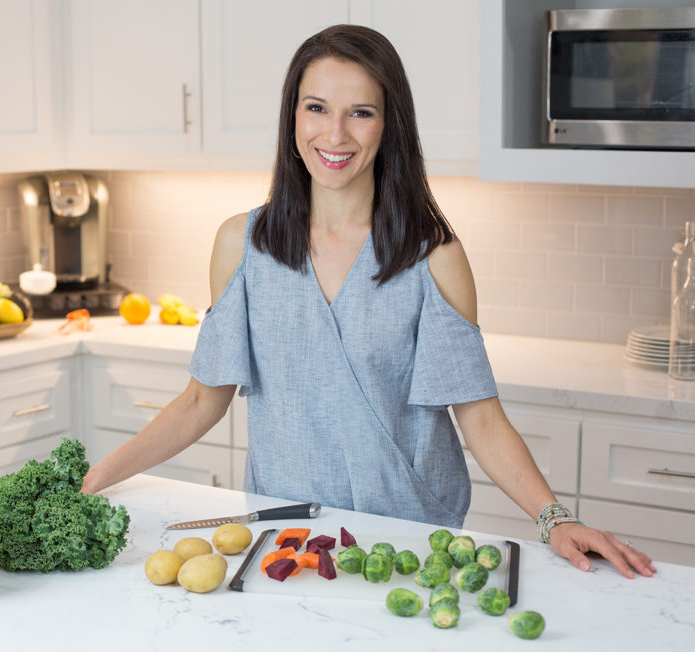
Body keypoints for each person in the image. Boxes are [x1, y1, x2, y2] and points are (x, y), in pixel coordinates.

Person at [81, 25, 655, 579]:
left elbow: (479, 416)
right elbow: (201, 401)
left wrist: (555, 519)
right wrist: (95, 480)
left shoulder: (433, 256)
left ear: (388, 124)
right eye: (317, 107)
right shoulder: (243, 245)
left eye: (360, 112)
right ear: (292, 116)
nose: (335, 134)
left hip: (407, 541)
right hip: (287, 537)